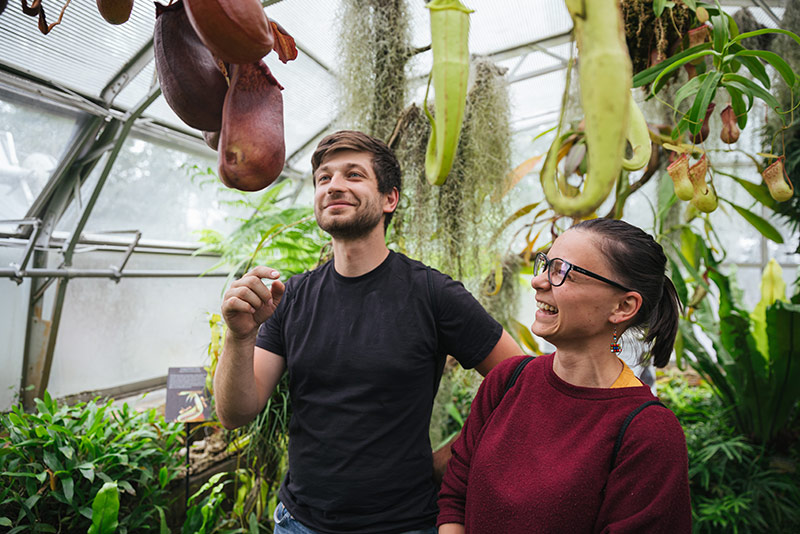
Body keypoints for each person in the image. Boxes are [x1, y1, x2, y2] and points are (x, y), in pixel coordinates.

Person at [214, 130, 522, 534]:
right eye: (324, 178)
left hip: (404, 523)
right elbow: (236, 413)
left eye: (353, 175)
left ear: (389, 199)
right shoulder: (290, 296)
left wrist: (456, 455)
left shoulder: (432, 294)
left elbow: (521, 383)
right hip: (300, 522)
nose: (334, 185)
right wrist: (239, 337)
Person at [437, 218, 692, 533]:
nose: (538, 282)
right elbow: (455, 496)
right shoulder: (507, 381)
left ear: (623, 306)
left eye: (562, 271)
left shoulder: (648, 432)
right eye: (545, 265)